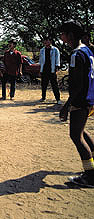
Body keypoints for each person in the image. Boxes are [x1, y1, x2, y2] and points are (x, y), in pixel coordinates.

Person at [59, 21, 94, 187]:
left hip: (81, 100)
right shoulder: (87, 50)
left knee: (76, 136)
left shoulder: (76, 54)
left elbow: (78, 84)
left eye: (63, 33)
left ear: (70, 35)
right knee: (82, 131)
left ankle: (90, 176)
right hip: (90, 98)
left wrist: (67, 105)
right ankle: (92, 167)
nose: (61, 36)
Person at [39, 38, 61, 104]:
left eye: (47, 40)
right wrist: (40, 70)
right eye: (45, 41)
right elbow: (40, 61)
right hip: (44, 69)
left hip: (52, 69)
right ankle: (43, 97)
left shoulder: (55, 50)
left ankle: (58, 99)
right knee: (43, 84)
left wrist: (56, 69)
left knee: (54, 85)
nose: (46, 42)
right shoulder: (42, 50)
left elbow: (57, 60)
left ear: (50, 41)